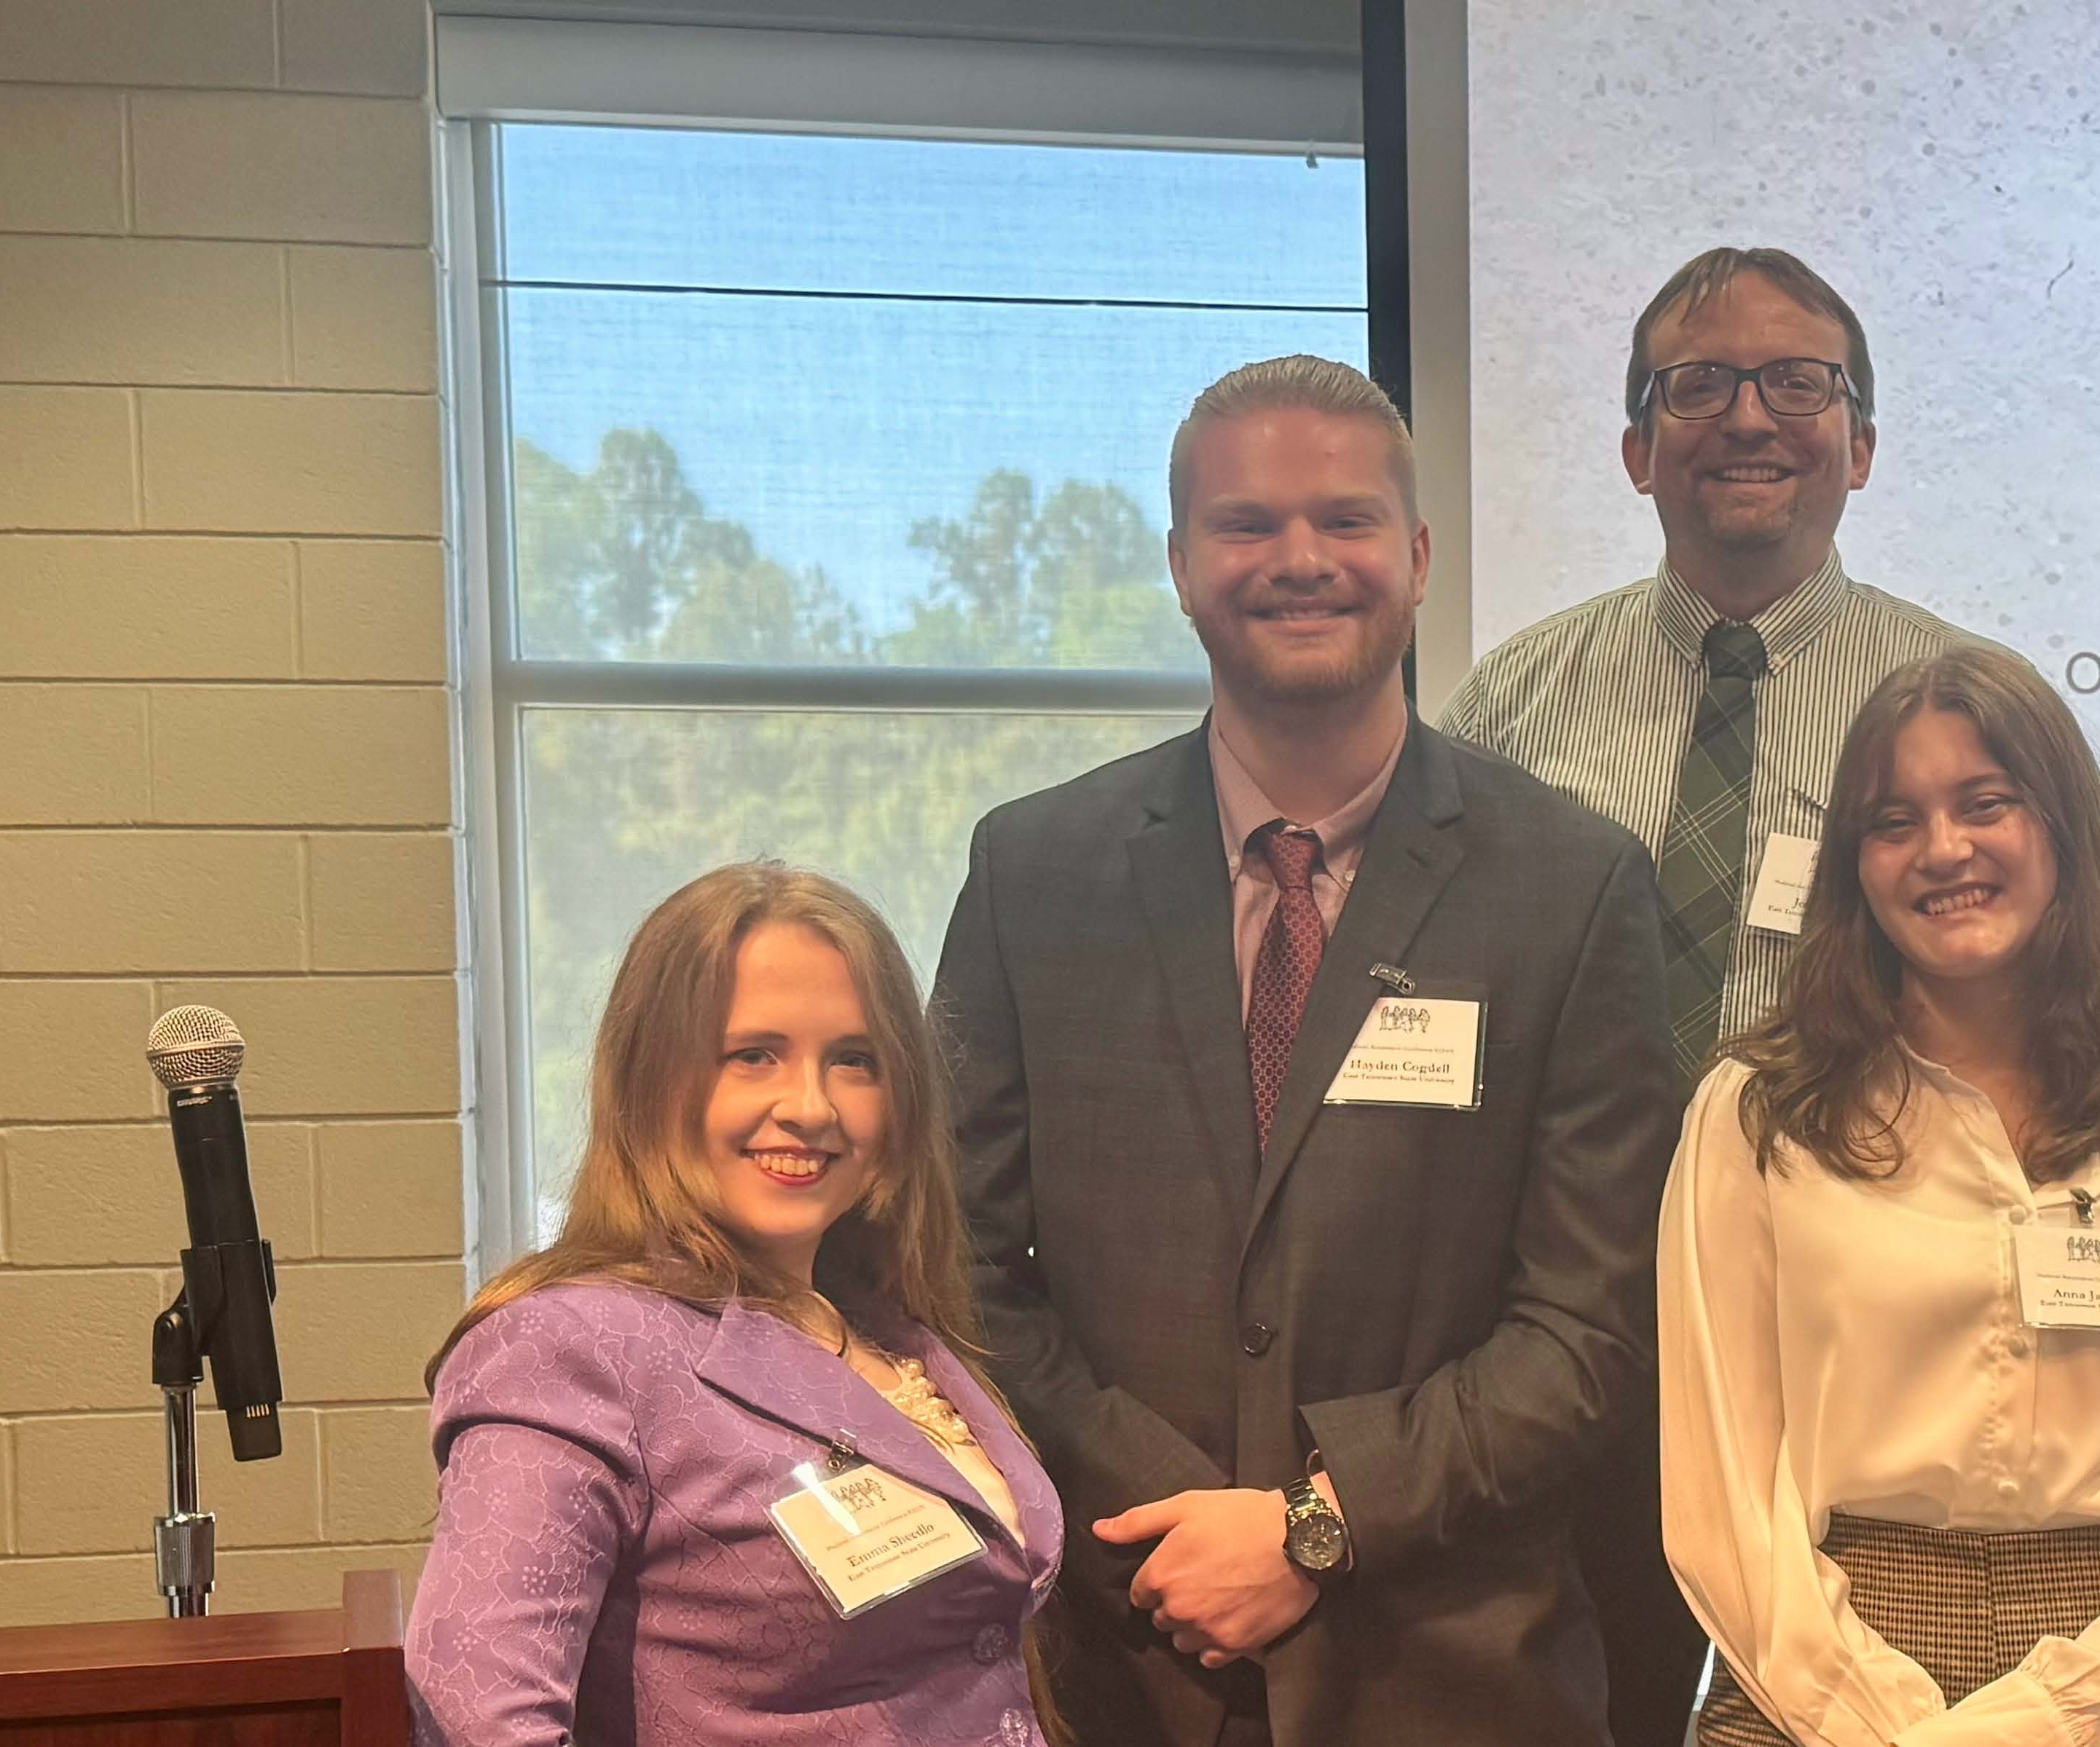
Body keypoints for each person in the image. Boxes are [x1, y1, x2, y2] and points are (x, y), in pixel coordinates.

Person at [937, 355, 1683, 1747]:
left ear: (1413, 554)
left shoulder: (1571, 885)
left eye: (1342, 520)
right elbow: (963, 1272)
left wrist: (1312, 1525)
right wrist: (1173, 1512)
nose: (1298, 560)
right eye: (1245, 523)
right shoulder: (1033, 870)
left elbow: (1588, 1323)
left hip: (1456, 1675)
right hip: (1117, 1660)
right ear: (1177, 562)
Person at [1444, 245, 1989, 1743]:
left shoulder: (1960, 704)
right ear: (1637, 447)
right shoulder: (1511, 703)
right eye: (1699, 384)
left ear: (1860, 442)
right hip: (1572, 1327)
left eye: (1800, 380)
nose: (1750, 414)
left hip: (1855, 1338)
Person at [1661, 644, 2100, 1747]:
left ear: (2062, 829)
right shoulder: (1754, 1118)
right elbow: (1721, 1491)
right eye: (1893, 821)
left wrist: (2044, 1718)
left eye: (1986, 803)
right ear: (1852, 865)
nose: (1943, 850)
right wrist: (1870, 1716)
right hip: (1815, 1678)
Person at [409, 862, 1058, 1747]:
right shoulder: (572, 1346)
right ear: (654, 1081)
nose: (810, 1105)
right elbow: (476, 1707)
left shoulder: (887, 1327)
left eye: (854, 1060)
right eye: (754, 1054)